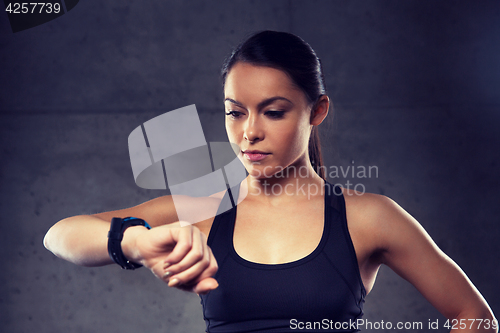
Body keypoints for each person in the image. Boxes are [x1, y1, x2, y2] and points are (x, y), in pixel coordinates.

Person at [44, 30, 497, 332]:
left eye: (273, 112)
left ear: (315, 112)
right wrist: (134, 244)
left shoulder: (368, 217)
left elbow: (475, 317)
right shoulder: (203, 210)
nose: (249, 132)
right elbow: (59, 236)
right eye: (235, 112)